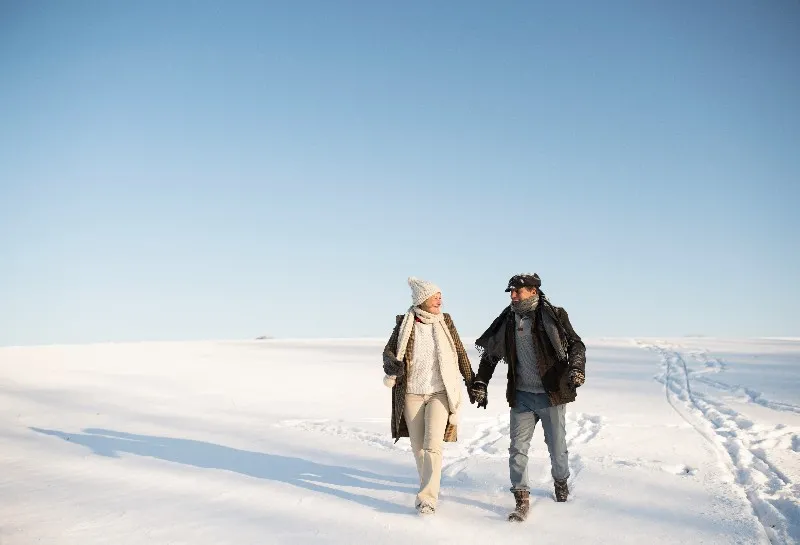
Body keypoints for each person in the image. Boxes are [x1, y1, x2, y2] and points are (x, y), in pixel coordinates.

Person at [470, 273, 586, 522]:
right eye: (511, 292)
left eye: (517, 291)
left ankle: (561, 483)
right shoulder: (508, 319)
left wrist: (576, 368)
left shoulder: (555, 315)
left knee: (557, 448)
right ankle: (521, 498)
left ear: (533, 291)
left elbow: (576, 344)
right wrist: (481, 381)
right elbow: (491, 354)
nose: (513, 296)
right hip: (522, 395)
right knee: (517, 449)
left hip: (551, 394)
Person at [382, 277, 475, 515]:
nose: (439, 300)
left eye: (440, 296)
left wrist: (472, 381)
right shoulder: (404, 323)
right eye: (435, 297)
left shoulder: (446, 322)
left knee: (433, 445)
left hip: (440, 392)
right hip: (411, 393)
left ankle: (427, 498)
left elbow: (460, 352)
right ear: (421, 299)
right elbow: (389, 351)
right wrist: (392, 364)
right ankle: (429, 483)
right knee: (418, 447)